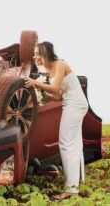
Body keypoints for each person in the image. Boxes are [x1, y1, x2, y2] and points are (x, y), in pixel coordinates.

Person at [25, 42, 89, 199]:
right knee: (72, 144)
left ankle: (71, 190)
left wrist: (35, 83)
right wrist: (40, 97)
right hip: (71, 103)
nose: (34, 57)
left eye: (37, 53)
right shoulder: (49, 69)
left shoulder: (60, 64)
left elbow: (54, 89)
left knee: (66, 144)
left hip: (75, 104)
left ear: (45, 53)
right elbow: (57, 95)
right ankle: (74, 184)